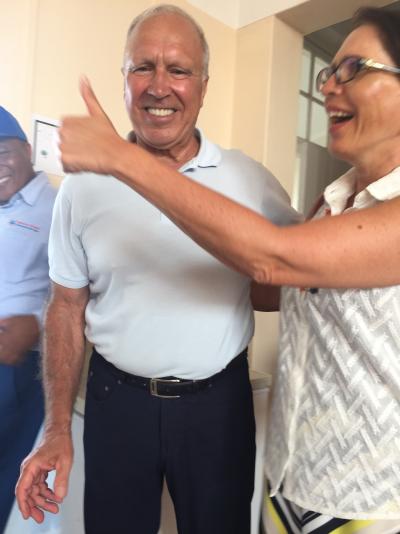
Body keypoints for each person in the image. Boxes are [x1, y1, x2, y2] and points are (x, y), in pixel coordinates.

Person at [18, 5, 400, 534]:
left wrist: (123, 162)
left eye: (178, 70)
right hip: (132, 407)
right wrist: (56, 427)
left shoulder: (250, 179)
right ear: (123, 79)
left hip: (233, 414)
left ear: (203, 85)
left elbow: (278, 265)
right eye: (142, 67)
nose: (159, 86)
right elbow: (66, 304)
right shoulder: (336, 200)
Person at [0, 106, 56, 532]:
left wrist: (35, 322)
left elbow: (80, 292)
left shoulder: (57, 207)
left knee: (8, 481)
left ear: (28, 150)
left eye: (3, 153)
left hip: (16, 370)